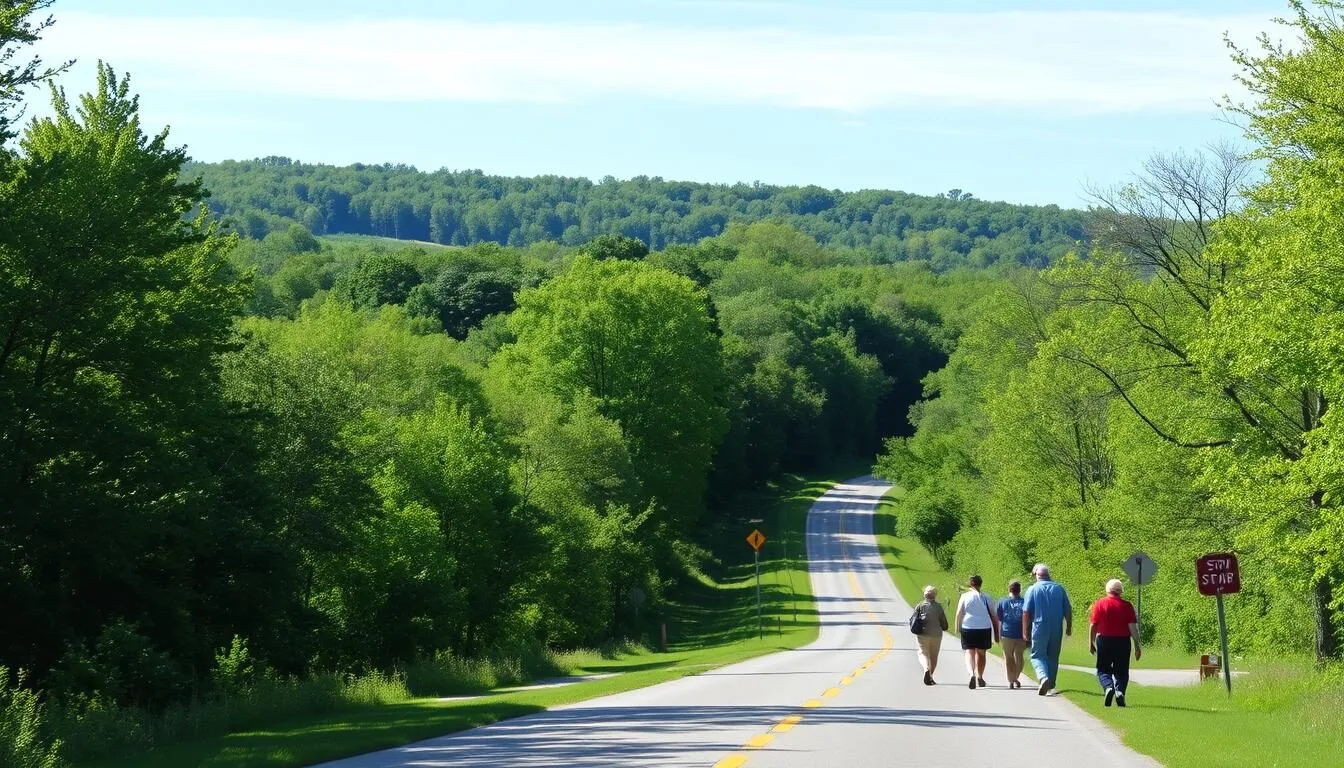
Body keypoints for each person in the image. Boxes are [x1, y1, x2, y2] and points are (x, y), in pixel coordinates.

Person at [1090, 578, 1142, 707]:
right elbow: (1132, 628)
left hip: (1104, 640)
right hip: (1123, 641)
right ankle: (1119, 692)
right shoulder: (1127, 606)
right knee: (1122, 670)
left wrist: (1090, 642)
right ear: (1121, 591)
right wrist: (1137, 645)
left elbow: (1094, 625)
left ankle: (1108, 687)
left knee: (1103, 669)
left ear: (1108, 590)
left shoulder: (1100, 604)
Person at [1022, 563, 1072, 695]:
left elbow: (1026, 612)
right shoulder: (1059, 589)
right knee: (1053, 656)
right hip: (1056, 627)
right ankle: (1050, 685)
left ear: (1036, 575)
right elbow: (1068, 609)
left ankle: (1043, 677)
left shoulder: (1032, 589)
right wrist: (1069, 627)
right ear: (1048, 575)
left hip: (1039, 626)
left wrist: (1025, 631)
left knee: (1037, 655)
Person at [954, 574, 999, 689]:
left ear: (970, 584)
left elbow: (959, 613)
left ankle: (971, 673)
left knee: (969, 652)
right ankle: (980, 676)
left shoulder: (965, 596)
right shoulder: (986, 597)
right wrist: (997, 632)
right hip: (984, 627)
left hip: (968, 626)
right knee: (981, 653)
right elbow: (994, 615)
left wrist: (957, 627)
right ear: (980, 583)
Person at [912, 585, 949, 685]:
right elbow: (944, 625)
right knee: (933, 657)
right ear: (935, 595)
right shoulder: (939, 607)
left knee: (922, 653)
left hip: (922, 634)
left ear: (925, 595)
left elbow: (913, 620)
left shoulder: (919, 606)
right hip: (936, 635)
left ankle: (926, 669)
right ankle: (931, 676)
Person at [996, 580, 1027, 689]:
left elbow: (999, 619)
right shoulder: (1025, 601)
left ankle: (1011, 680)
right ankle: (1015, 677)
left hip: (1006, 633)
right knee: (1019, 657)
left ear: (1009, 589)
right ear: (1020, 590)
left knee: (1008, 657)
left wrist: (997, 634)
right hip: (1021, 634)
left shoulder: (1002, 601)